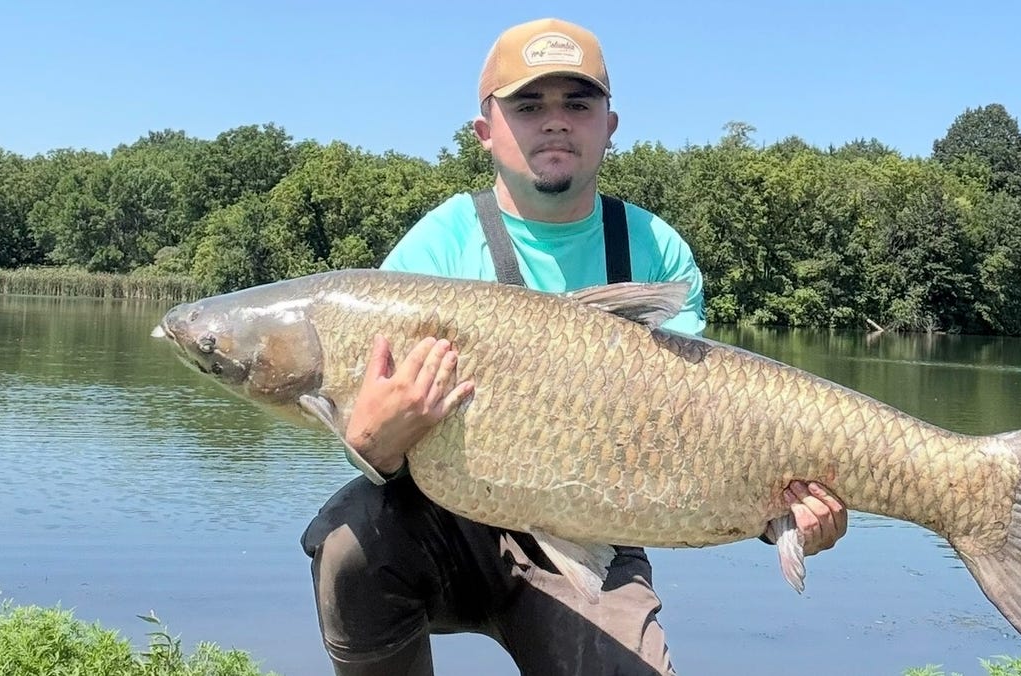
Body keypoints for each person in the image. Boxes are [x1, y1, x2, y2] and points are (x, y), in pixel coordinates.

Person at [300, 17, 848, 676]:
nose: (555, 121)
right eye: (529, 105)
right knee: (350, 540)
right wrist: (371, 445)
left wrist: (780, 513)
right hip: (445, 522)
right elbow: (373, 430)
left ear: (609, 127)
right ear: (485, 131)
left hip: (595, 532)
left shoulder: (654, 248)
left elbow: (699, 436)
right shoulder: (435, 247)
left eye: (578, 104)